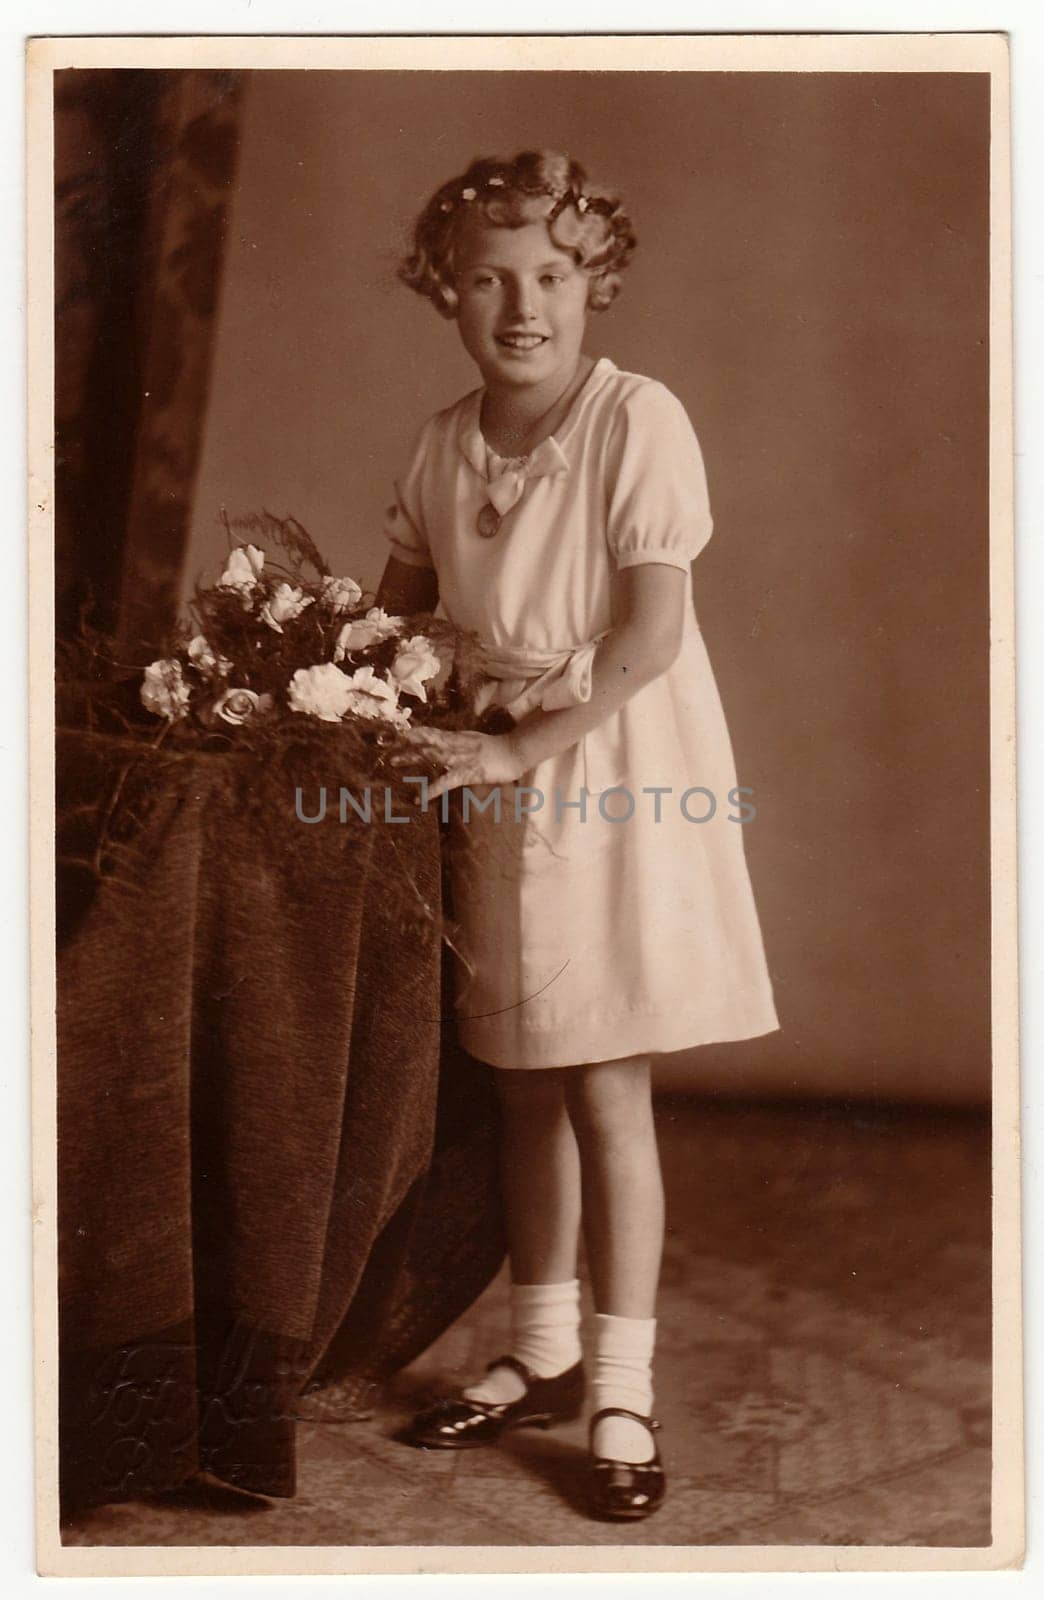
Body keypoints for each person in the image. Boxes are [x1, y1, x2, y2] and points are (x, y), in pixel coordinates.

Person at [375, 150, 779, 1521]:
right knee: (521, 1080)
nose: (521, 305)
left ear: (594, 284)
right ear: (446, 293)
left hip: (609, 778)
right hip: (498, 787)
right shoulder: (442, 443)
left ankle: (622, 1382)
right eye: (485, 279)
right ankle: (541, 1346)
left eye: (549, 274)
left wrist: (517, 743)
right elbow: (398, 617)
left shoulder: (635, 420)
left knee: (606, 1084)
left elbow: (653, 634)